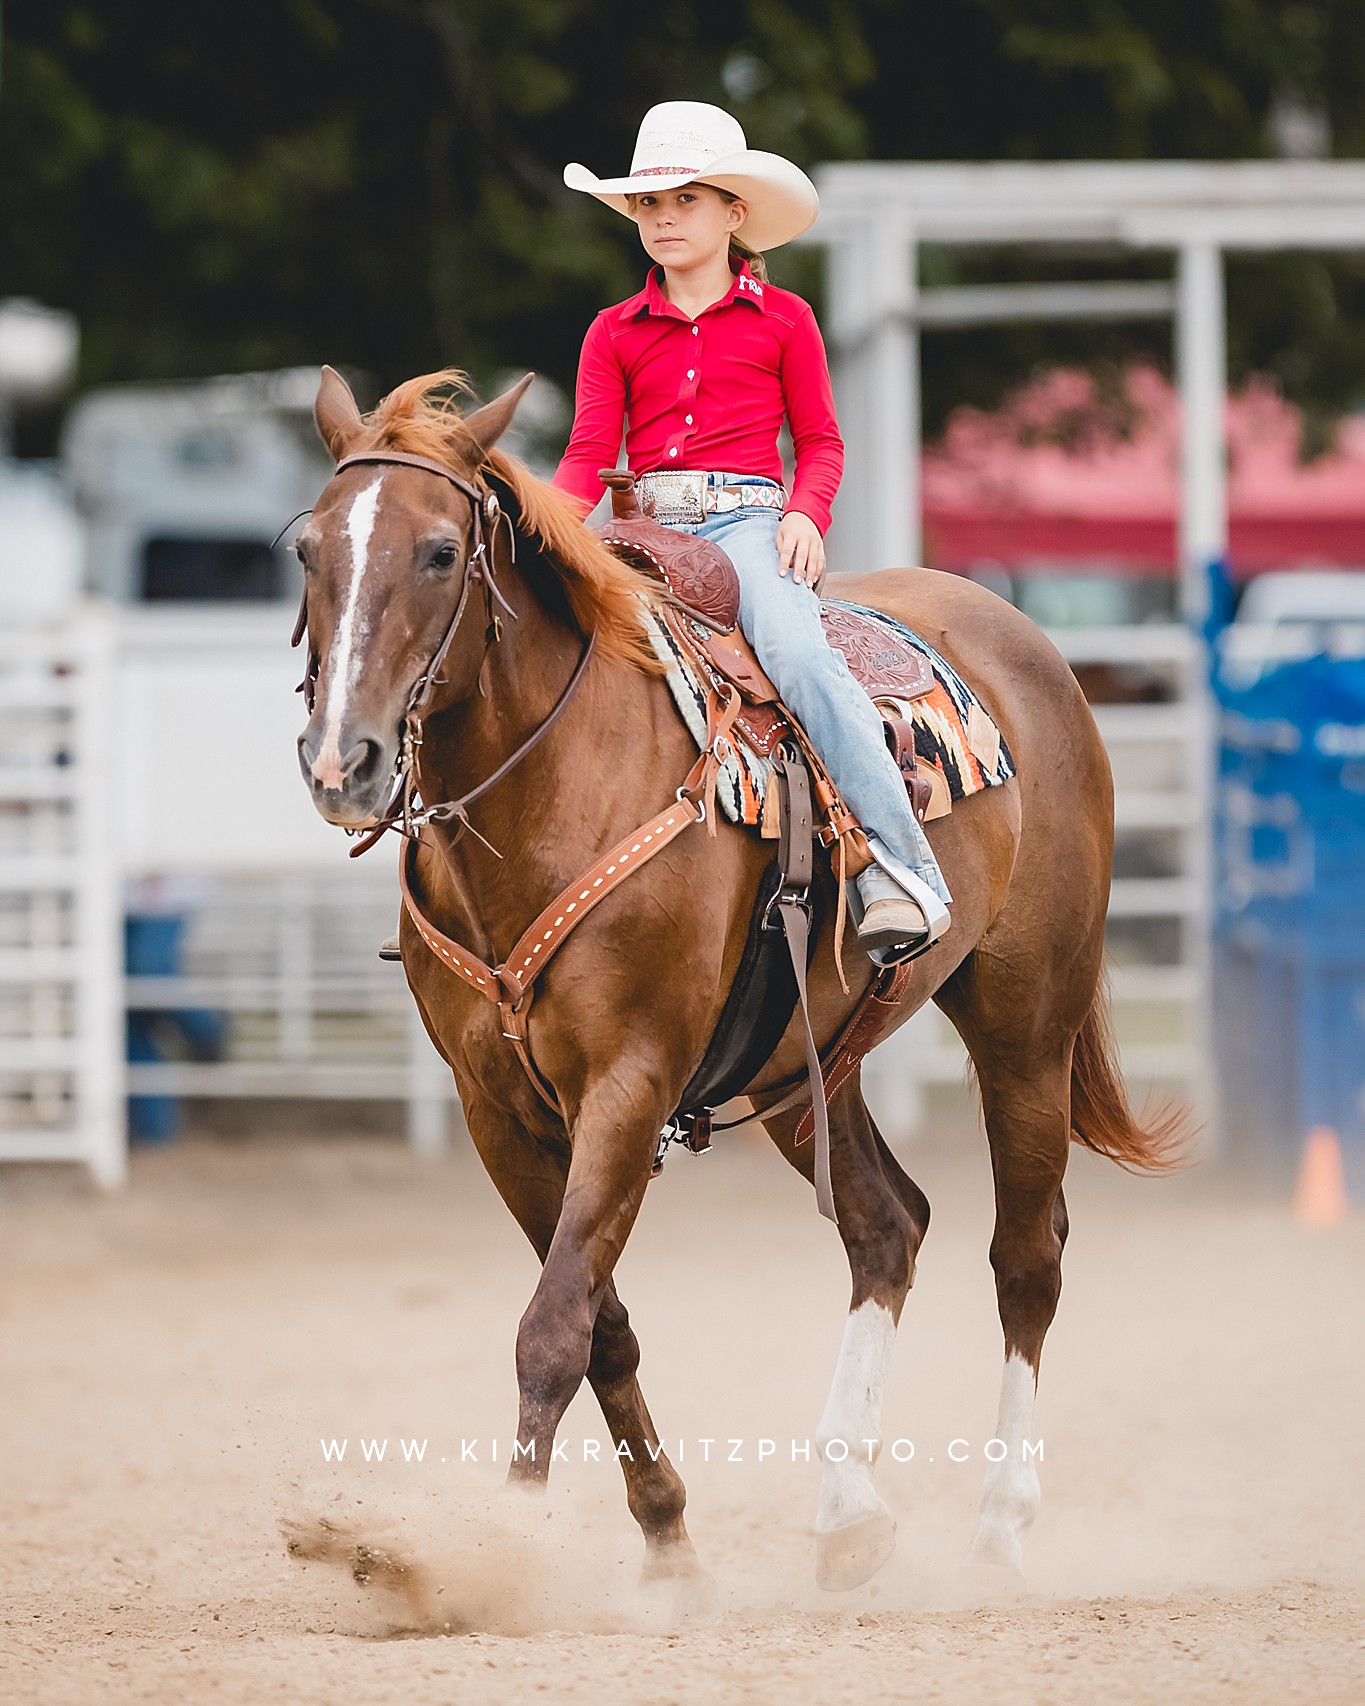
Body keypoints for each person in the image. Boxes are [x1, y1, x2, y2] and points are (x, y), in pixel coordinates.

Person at [553, 100, 950, 960]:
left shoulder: (784, 320)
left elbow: (820, 442)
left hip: (743, 524)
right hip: (641, 525)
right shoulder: (611, 332)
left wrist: (806, 513)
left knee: (800, 657)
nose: (661, 220)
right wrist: (546, 529)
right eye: (647, 206)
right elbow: (589, 451)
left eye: (682, 201)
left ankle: (901, 867)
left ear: (732, 213)